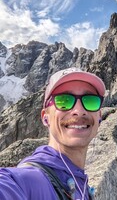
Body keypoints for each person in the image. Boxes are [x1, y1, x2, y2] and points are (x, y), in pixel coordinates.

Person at [0, 67, 106, 200]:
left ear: (99, 117)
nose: (79, 110)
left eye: (90, 101)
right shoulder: (31, 181)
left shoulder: (79, 181)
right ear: (46, 117)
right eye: (64, 100)